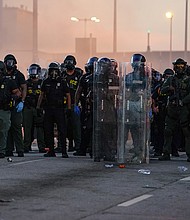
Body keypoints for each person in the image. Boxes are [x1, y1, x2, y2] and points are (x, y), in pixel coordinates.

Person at [37, 61, 71, 158]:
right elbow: (41, 95)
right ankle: (51, 151)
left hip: (59, 109)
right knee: (48, 130)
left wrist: (69, 108)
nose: (53, 73)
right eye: (52, 71)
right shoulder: (46, 82)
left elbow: (68, 95)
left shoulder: (63, 82)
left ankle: (64, 151)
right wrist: (38, 107)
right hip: (48, 109)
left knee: (62, 130)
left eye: (55, 71)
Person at [159, 58, 190, 162]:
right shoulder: (171, 79)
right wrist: (169, 89)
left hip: (184, 109)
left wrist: (183, 101)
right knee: (168, 131)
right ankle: (166, 153)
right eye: (177, 66)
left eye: (181, 66)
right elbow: (162, 91)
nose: (179, 68)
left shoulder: (188, 79)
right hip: (172, 109)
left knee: (186, 132)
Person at [124, 53, 151, 163]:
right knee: (134, 130)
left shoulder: (146, 77)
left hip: (141, 105)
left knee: (141, 132)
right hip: (131, 105)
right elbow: (125, 91)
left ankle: (141, 153)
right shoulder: (128, 77)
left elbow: (148, 92)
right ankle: (136, 152)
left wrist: (149, 108)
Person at [93, 57, 119, 162]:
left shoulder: (114, 78)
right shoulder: (97, 78)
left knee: (109, 132)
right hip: (99, 108)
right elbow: (95, 92)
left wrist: (107, 93)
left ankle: (109, 153)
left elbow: (116, 93)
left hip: (110, 108)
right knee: (99, 132)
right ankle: (98, 153)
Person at [74, 56, 98, 156]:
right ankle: (83, 149)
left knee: (95, 129)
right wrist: (76, 104)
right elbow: (78, 92)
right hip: (87, 107)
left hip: (99, 107)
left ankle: (93, 148)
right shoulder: (84, 78)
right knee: (86, 129)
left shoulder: (101, 77)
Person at [4, 54, 27, 157]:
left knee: (17, 127)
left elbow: (24, 87)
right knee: (7, 128)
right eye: (7, 62)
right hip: (5, 105)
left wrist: (22, 101)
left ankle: (20, 149)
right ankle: (8, 149)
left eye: (11, 62)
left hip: (16, 104)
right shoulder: (2, 74)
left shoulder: (19, 75)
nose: (9, 64)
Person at [23, 63, 46, 153]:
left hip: (38, 108)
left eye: (34, 70)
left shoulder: (42, 83)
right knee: (27, 128)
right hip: (28, 107)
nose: (33, 72)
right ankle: (26, 146)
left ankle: (42, 146)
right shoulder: (26, 83)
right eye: (31, 70)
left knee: (40, 128)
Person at [62, 55, 83, 154]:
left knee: (76, 126)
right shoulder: (62, 75)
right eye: (67, 62)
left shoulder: (78, 75)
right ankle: (63, 145)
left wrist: (78, 104)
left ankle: (78, 146)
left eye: (71, 62)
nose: (69, 64)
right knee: (63, 126)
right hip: (64, 105)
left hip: (75, 104)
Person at [0, 61, 20, 158]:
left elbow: (17, 92)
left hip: (4, 110)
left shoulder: (8, 81)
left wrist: (13, 98)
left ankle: (2, 151)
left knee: (3, 131)